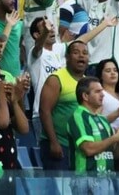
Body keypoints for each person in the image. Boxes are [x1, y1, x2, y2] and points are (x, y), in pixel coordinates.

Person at [67, 77, 119, 192]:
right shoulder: (78, 116)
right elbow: (88, 149)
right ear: (85, 96)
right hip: (86, 180)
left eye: (102, 91)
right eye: (97, 91)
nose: (103, 95)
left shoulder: (103, 120)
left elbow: (114, 155)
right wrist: (115, 137)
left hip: (107, 179)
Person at [39, 40, 90, 170]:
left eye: (85, 53)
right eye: (76, 52)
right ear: (67, 57)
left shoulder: (87, 82)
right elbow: (44, 111)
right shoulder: (56, 79)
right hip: (59, 145)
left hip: (79, 147)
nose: (81, 56)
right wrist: (54, 142)